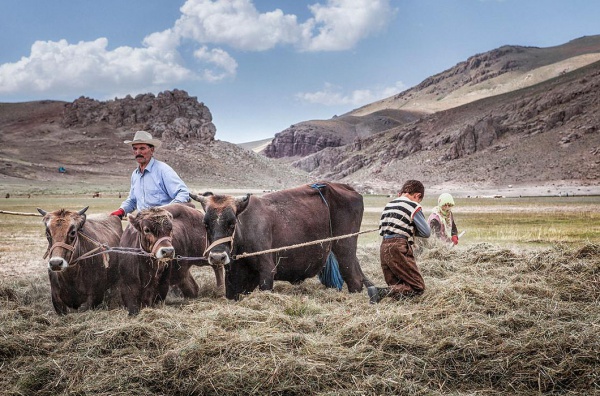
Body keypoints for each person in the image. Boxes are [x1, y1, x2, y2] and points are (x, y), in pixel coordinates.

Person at [368, 180, 431, 304]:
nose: (418, 202)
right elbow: (426, 232)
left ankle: (380, 295)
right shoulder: (413, 206)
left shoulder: (389, 205)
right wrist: (411, 229)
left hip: (384, 247)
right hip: (399, 246)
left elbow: (382, 230)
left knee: (398, 285)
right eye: (419, 200)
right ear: (417, 195)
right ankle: (380, 292)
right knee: (418, 286)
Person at [110, 130, 190, 219]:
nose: (138, 152)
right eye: (135, 149)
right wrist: (121, 210)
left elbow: (183, 193)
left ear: (151, 150)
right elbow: (133, 201)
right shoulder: (135, 175)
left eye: (142, 148)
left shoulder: (163, 170)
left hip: (162, 223)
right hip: (143, 223)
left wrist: (166, 212)